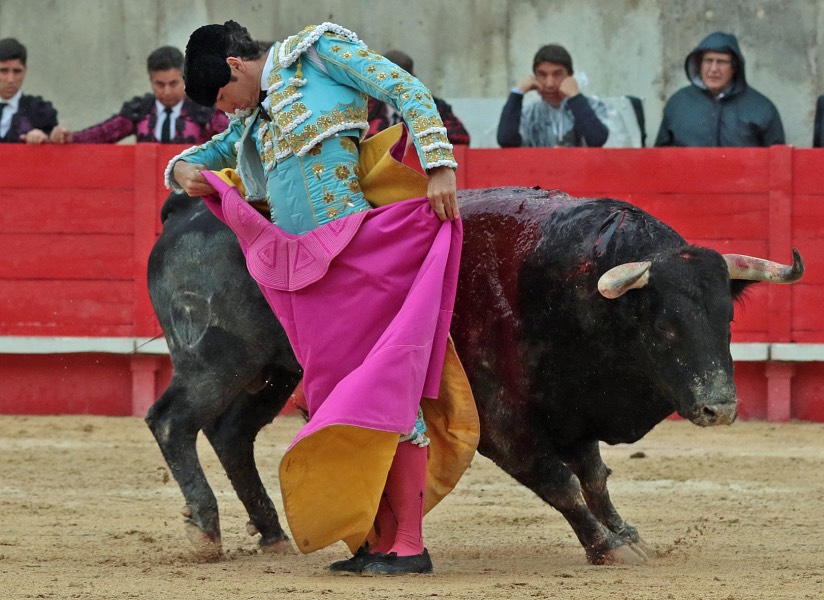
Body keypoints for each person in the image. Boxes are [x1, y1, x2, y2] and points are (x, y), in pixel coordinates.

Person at [166, 20, 478, 575]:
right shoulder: (252, 119)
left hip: (358, 256)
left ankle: (408, 543)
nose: (226, 109)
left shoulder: (316, 54)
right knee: (340, 402)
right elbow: (215, 150)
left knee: (388, 392)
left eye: (222, 97)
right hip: (308, 275)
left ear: (235, 68)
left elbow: (405, 89)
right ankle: (375, 540)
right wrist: (181, 168)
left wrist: (440, 163)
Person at [50, 46, 229, 144]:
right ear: (150, 80)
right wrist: (72, 138)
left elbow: (231, 137)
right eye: (159, 84)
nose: (166, 91)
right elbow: (104, 133)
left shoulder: (204, 110)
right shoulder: (139, 110)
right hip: (146, 185)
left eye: (173, 83)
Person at [655, 32, 785, 147]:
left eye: (721, 62)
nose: (713, 69)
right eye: (708, 61)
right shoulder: (678, 103)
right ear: (699, 65)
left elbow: (778, 162)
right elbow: (658, 160)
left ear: (734, 67)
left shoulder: (761, 108)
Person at [496, 44, 610, 147]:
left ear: (570, 76)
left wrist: (575, 97)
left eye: (557, 74)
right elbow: (506, 141)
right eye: (542, 75)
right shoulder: (528, 114)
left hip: (584, 169)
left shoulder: (592, 106)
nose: (549, 84)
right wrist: (517, 93)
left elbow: (597, 139)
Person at [366, 49, 470, 145]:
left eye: (399, 83)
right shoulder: (365, 106)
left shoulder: (431, 107)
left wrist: (420, 135)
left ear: (413, 80)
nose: (393, 89)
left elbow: (461, 138)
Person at [0, 37, 58, 144]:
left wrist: (43, 139)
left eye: (17, 71)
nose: (10, 79)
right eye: (3, 71)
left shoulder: (41, 111)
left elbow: (54, 148)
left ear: (25, 71)